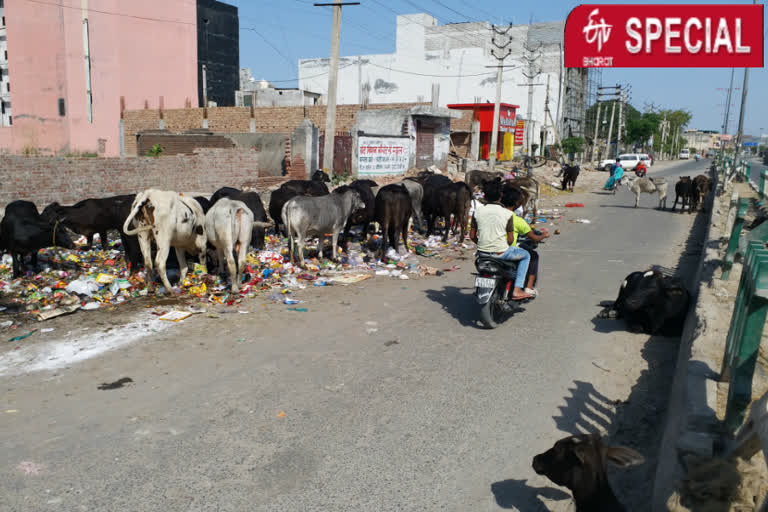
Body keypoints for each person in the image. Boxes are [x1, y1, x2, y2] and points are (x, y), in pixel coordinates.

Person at [470, 181, 532, 300]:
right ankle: (517, 289)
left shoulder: (477, 212)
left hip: (482, 253)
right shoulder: (507, 214)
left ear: (484, 196)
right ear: (500, 196)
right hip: (500, 253)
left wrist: (483, 244)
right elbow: (510, 239)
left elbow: (472, 236)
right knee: (526, 255)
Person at [503, 187, 550, 296]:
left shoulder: (493, 215)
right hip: (505, 250)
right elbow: (534, 238)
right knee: (530, 255)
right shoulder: (516, 220)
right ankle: (525, 288)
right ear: (516, 203)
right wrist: (544, 235)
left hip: (486, 249)